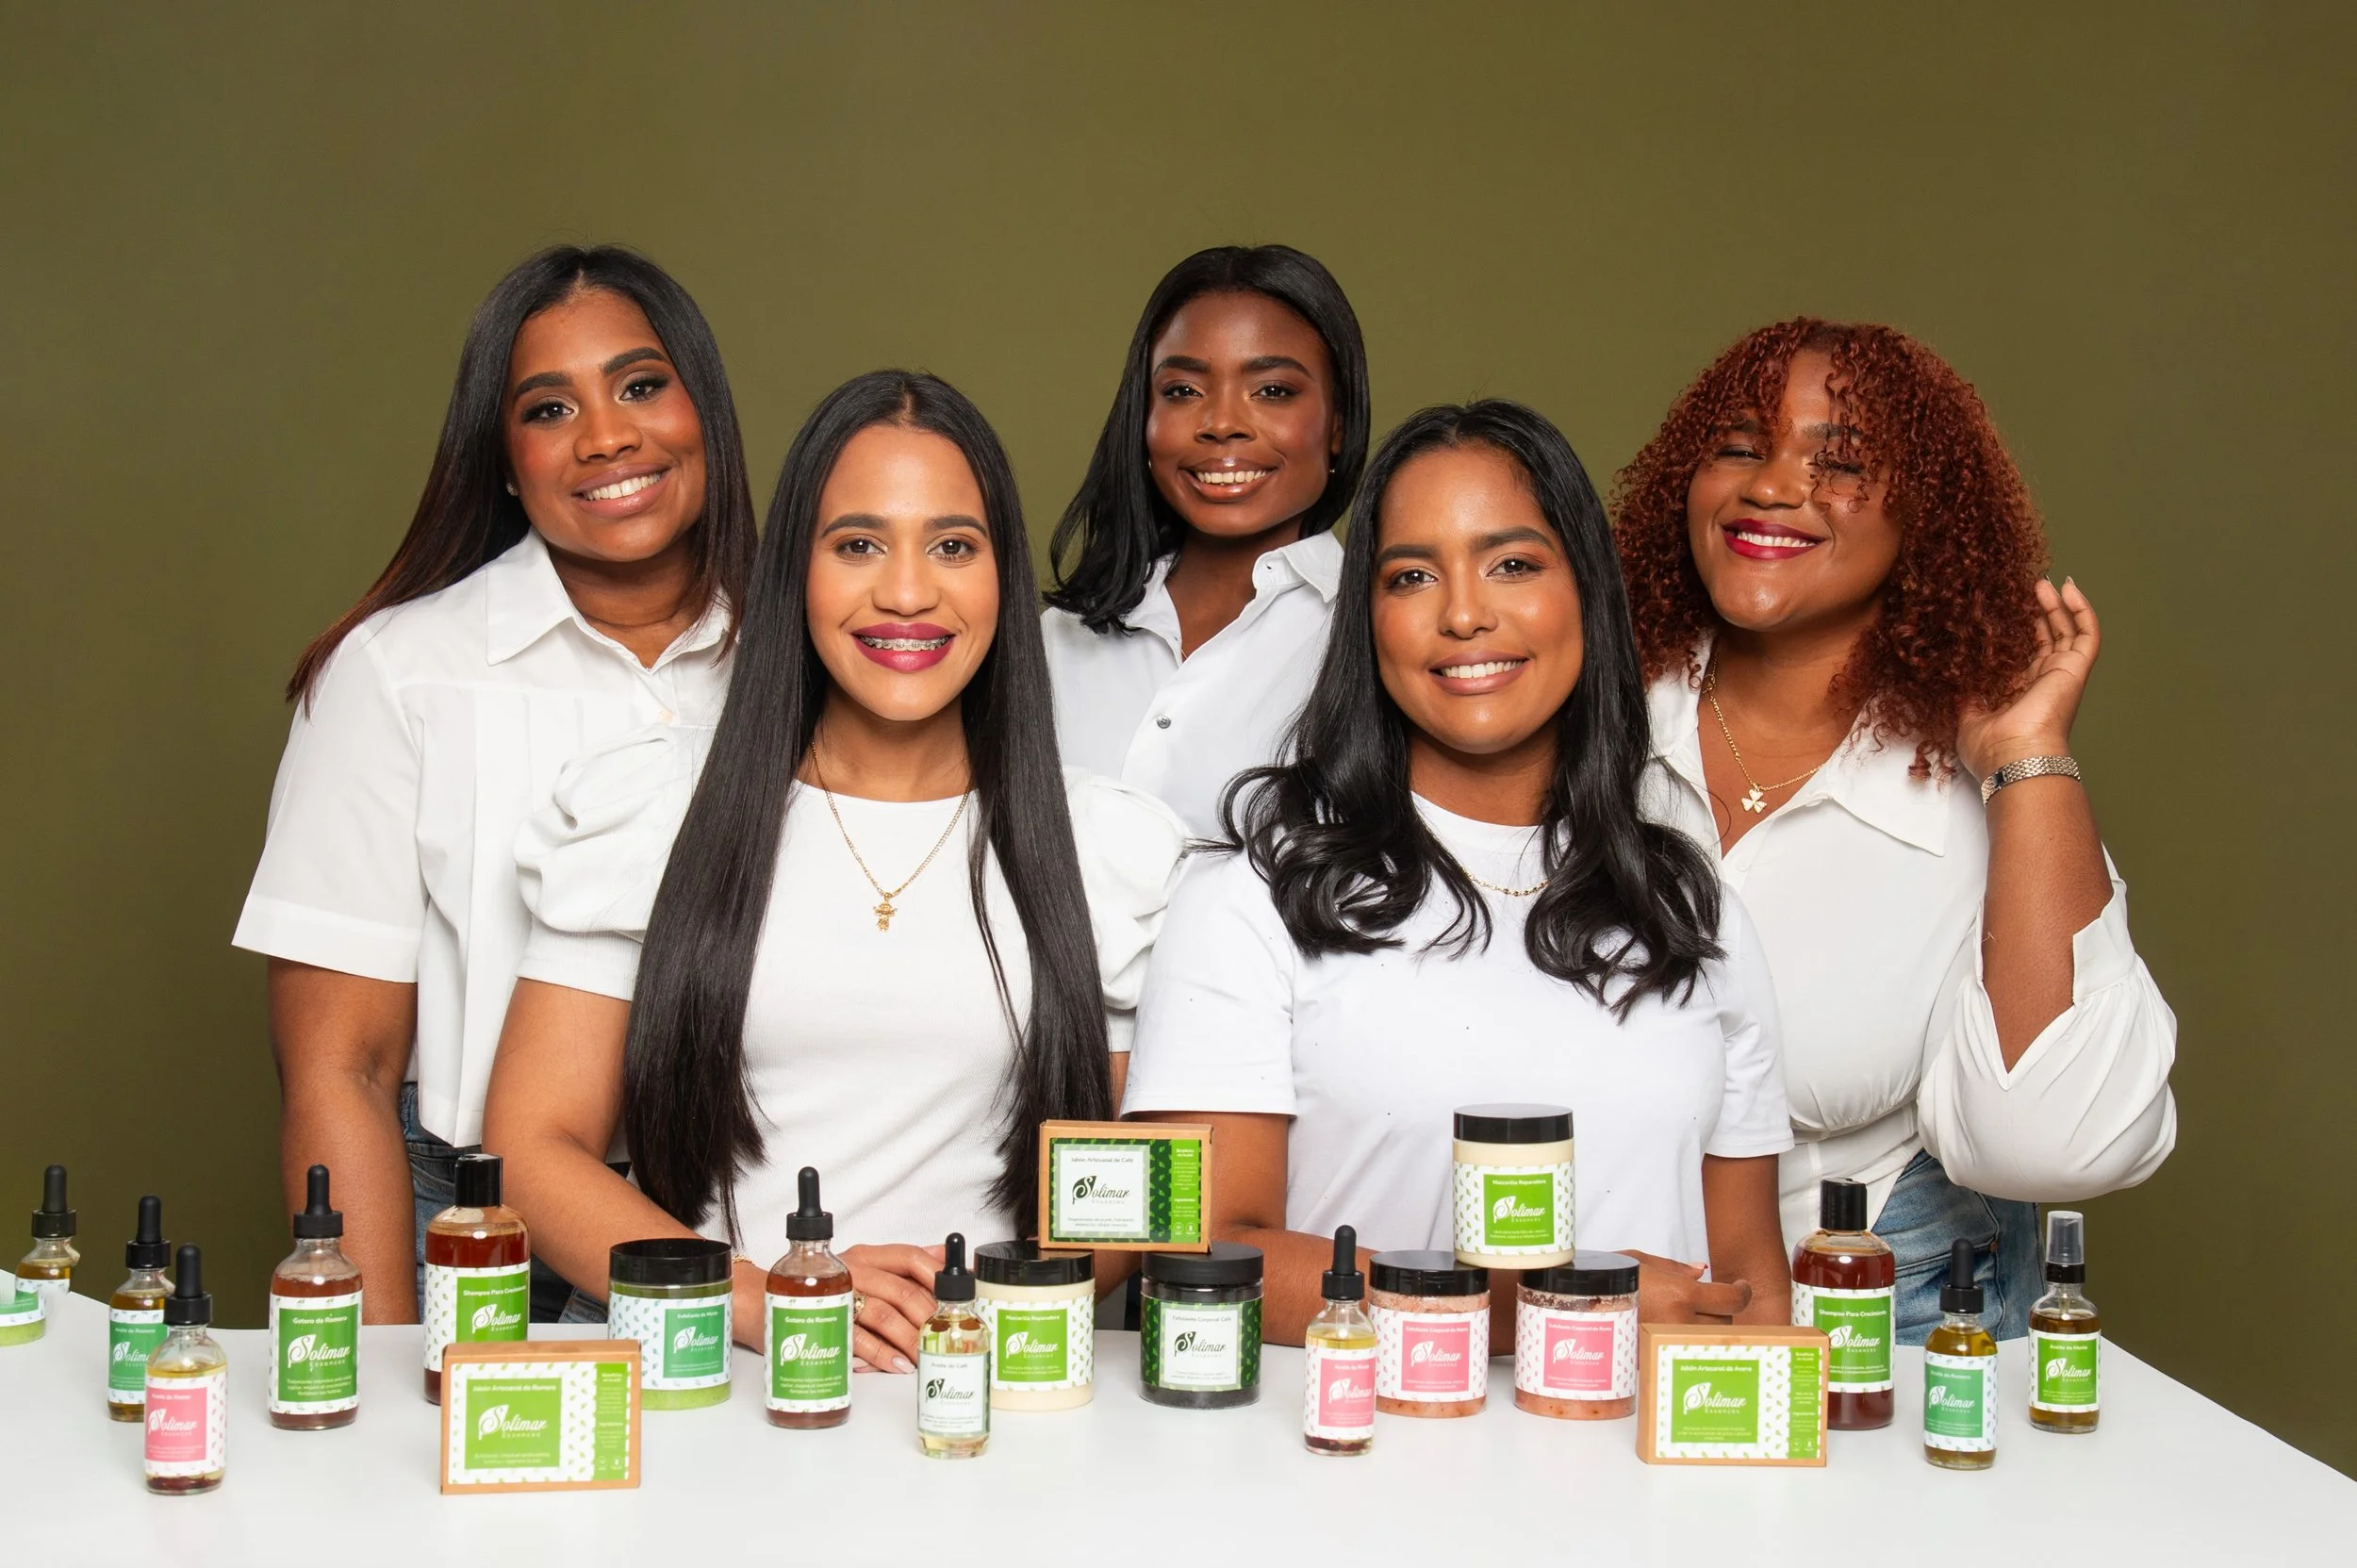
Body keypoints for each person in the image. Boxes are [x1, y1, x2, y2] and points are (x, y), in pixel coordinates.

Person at [483, 371, 1186, 1369]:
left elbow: (1127, 1191)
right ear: (795, 573)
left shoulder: (1100, 846)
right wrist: (769, 1301)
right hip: (715, 1380)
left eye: (953, 545)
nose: (906, 591)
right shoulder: (658, 806)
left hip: (988, 1387)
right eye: (858, 544)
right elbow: (532, 1149)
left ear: (1002, 575)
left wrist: (971, 1321)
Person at [1123, 401, 1794, 1347]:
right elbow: (1205, 1255)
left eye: (1512, 564)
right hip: (1359, 1433)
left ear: (1587, 593)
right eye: (1411, 575)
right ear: (1368, 621)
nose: (1465, 613)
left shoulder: (1690, 907)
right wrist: (1554, 1305)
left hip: (1641, 1444)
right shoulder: (1253, 903)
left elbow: (1751, 1286)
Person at [1614, 318, 2177, 1339]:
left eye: (1839, 463)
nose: (1771, 486)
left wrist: (2025, 756)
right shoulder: (1585, 720)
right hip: (1575, 1309)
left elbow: (2052, 1142)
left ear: (1929, 516)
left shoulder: (1974, 795)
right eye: (1740, 447)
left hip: (1883, 1330)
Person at [233, 246, 756, 1322]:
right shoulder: (398, 674)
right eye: (549, 409)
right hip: (479, 1234)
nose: (606, 436)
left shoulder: (811, 661)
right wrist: (379, 1354)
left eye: (641, 385)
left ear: (705, 409)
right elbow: (342, 1068)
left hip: (748, 1216)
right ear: (505, 463)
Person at [1041, 244, 1371, 836]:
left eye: (1273, 390)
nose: (1221, 423)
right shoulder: (1054, 640)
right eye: (1183, 391)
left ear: (1338, 424)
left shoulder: (1375, 638)